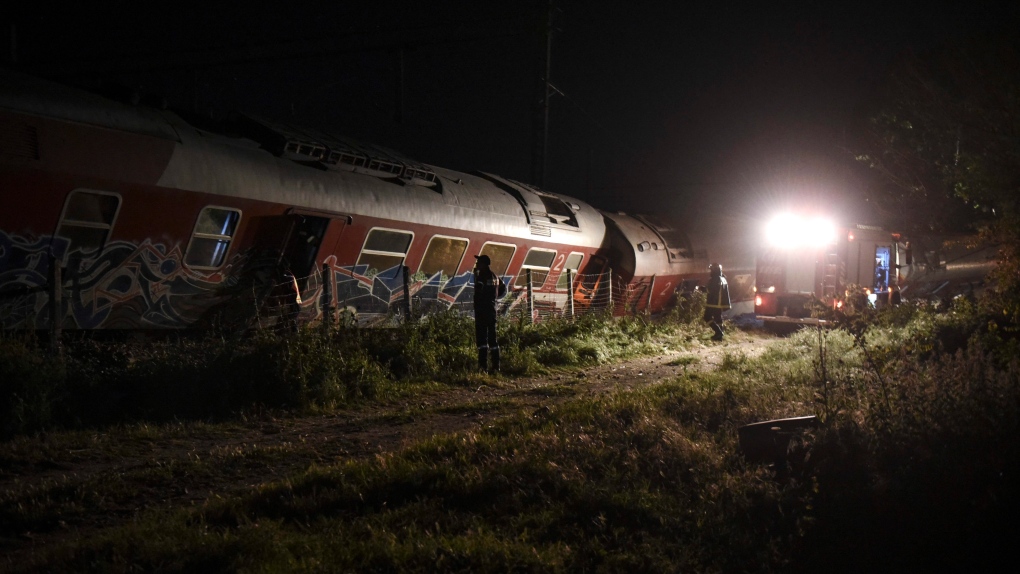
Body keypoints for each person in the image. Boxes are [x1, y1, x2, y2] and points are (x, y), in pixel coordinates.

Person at [473, 254, 506, 372]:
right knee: (493, 339)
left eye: (478, 263)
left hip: (482, 311)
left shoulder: (481, 277)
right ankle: (496, 366)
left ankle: (483, 367)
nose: (477, 265)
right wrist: (494, 298)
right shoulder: (495, 277)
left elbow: (478, 292)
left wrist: (476, 277)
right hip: (492, 310)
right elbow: (503, 288)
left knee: (482, 340)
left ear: (483, 264)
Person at [703, 263, 731, 341]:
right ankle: (720, 336)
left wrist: (701, 288)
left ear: (715, 271)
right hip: (719, 303)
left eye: (711, 270)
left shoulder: (715, 279)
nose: (710, 272)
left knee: (707, 317)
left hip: (713, 303)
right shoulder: (722, 278)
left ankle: (718, 332)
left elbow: (711, 290)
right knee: (718, 318)